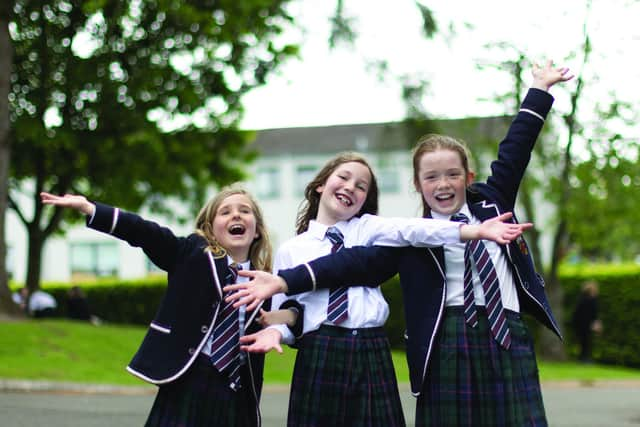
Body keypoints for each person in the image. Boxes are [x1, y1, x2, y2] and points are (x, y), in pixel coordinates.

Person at [226, 61, 572, 426]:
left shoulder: (492, 202)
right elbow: (351, 263)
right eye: (431, 177)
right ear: (417, 184)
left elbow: (516, 150)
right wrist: (284, 281)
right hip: (446, 338)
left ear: (467, 177)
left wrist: (540, 89)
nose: (443, 184)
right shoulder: (412, 236)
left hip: (506, 328)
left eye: (453, 174)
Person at [228, 151, 532, 427]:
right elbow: (291, 316)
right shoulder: (291, 251)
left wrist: (474, 230)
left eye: (362, 186)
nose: (351, 187)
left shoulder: (370, 229)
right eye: (343, 177)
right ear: (321, 184)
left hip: (371, 348)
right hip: (320, 351)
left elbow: (416, 229)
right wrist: (275, 330)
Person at [40, 185, 280, 427]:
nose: (236, 215)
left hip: (234, 391)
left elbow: (293, 314)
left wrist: (284, 323)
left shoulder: (267, 282)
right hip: (188, 380)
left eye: (244, 211)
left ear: (257, 230)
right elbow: (145, 232)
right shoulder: (191, 253)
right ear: (210, 228)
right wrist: (90, 209)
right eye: (225, 212)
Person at [572, 280, 602, 363]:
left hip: (583, 325)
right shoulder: (589, 300)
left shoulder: (582, 299)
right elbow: (592, 314)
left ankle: (583, 358)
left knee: (584, 342)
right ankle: (584, 359)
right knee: (585, 342)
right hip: (585, 325)